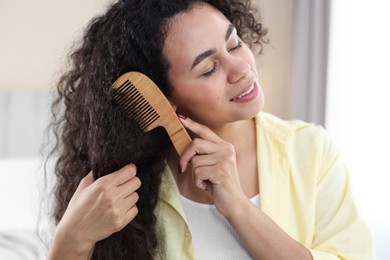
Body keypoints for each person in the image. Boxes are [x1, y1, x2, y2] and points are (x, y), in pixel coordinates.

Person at [46, 0, 375, 259]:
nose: (241, 68)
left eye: (234, 44)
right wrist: (70, 241)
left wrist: (238, 207)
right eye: (208, 68)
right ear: (165, 98)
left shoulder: (310, 150)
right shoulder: (128, 183)